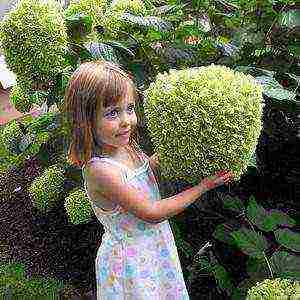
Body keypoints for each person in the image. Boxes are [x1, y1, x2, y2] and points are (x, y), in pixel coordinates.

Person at [63, 60, 233, 299]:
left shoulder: (125, 146)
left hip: (154, 250)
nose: (126, 121)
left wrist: (181, 143)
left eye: (129, 108)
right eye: (112, 113)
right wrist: (203, 187)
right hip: (132, 263)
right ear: (85, 120)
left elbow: (146, 170)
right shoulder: (101, 171)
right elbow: (152, 212)